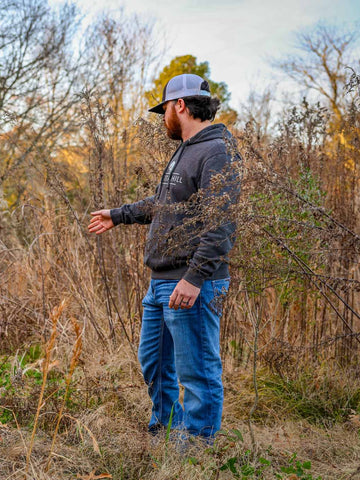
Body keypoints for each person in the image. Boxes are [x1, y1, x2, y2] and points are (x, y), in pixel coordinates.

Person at [88, 73, 240, 440]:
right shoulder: (187, 149)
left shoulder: (217, 150)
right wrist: (118, 214)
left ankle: (197, 447)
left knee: (198, 370)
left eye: (165, 110)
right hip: (161, 282)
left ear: (181, 105)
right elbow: (165, 204)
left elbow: (222, 223)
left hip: (191, 283)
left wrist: (194, 278)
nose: (163, 118)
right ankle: (167, 428)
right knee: (154, 362)